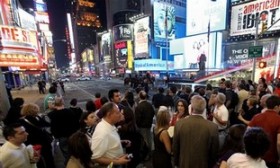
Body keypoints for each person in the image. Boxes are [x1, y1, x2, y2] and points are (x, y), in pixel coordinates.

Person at [173, 95, 219, 168]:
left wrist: (176, 163)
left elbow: (175, 146)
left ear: (191, 108)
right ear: (204, 109)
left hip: (184, 163)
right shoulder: (213, 127)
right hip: (203, 164)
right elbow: (214, 151)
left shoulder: (180, 124)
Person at [91, 102, 130, 167]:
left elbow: (108, 141)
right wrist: (118, 162)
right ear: (109, 115)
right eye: (117, 113)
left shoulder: (109, 124)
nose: (120, 114)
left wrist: (120, 142)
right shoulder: (103, 133)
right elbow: (96, 158)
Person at [19, 103, 55, 168]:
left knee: (38, 161)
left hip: (33, 144)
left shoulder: (22, 121)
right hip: (42, 142)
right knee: (48, 158)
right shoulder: (37, 117)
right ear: (33, 110)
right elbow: (46, 124)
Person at [248, 95, 280, 168]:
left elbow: (247, 133)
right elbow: (279, 142)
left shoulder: (257, 117)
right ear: (276, 107)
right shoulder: (279, 119)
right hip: (272, 158)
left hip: (256, 155)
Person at [135, 91, 155, 157]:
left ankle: (145, 154)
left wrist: (138, 125)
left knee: (144, 140)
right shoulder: (149, 105)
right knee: (149, 138)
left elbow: (137, 118)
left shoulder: (139, 106)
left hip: (142, 126)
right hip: (148, 125)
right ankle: (150, 152)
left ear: (140, 97)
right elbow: (153, 113)